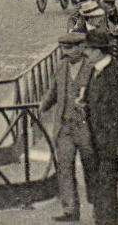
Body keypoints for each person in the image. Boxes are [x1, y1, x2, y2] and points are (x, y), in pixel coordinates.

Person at [82, 29, 118, 225]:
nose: (85, 53)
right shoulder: (94, 71)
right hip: (94, 141)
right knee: (99, 191)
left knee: (106, 191)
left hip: (111, 143)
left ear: (98, 51)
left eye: (88, 49)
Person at [39, 33, 94, 223]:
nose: (67, 52)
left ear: (82, 47)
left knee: (91, 167)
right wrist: (43, 106)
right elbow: (54, 90)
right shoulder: (61, 67)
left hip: (86, 127)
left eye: (71, 48)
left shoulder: (92, 67)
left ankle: (97, 205)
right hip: (65, 127)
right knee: (64, 167)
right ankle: (70, 208)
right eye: (64, 48)